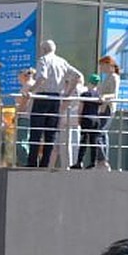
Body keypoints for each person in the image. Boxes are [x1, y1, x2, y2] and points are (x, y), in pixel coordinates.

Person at [27, 39, 72, 168]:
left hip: (42, 96)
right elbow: (77, 75)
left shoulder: (43, 60)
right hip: (56, 98)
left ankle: (32, 162)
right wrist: (67, 93)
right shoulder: (62, 62)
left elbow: (42, 77)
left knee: (36, 131)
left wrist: (31, 90)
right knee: (50, 133)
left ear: (43, 49)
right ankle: (45, 163)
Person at [81, 56, 120, 170]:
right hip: (101, 108)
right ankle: (101, 160)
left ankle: (103, 161)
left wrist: (103, 96)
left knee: (99, 132)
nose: (101, 68)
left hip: (108, 107)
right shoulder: (107, 77)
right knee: (101, 133)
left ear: (108, 64)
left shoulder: (114, 77)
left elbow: (114, 94)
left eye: (102, 65)